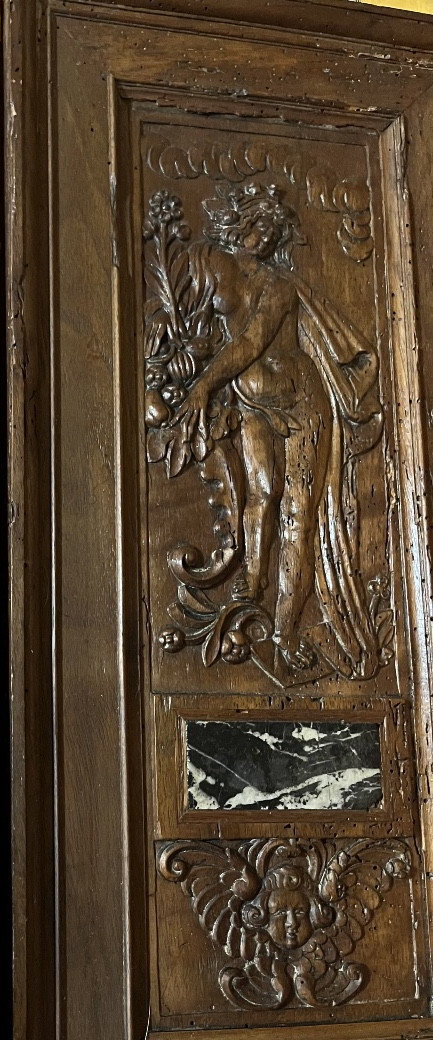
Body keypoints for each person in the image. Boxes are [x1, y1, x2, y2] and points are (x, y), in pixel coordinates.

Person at [182, 183, 381, 676]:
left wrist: (205, 384)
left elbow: (251, 342)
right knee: (262, 492)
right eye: (258, 225)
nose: (263, 236)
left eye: (272, 230)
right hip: (252, 400)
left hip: (301, 403)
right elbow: (200, 330)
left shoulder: (280, 285)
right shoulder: (214, 268)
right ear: (242, 223)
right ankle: (250, 586)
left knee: (297, 511)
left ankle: (285, 630)